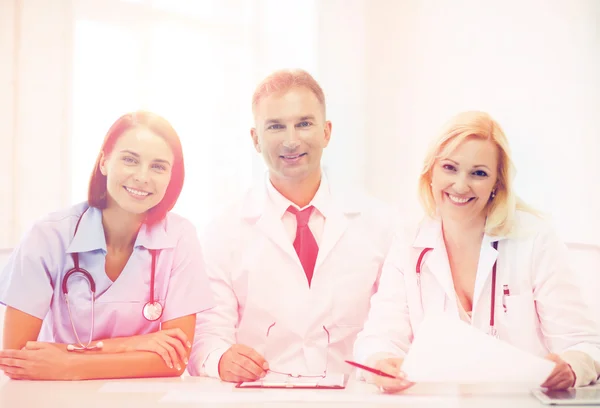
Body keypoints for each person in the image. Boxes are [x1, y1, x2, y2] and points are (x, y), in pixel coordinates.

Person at [353, 111, 600, 392]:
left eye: (479, 173)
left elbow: (584, 344)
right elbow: (377, 338)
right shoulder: (408, 242)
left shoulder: (534, 239)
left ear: (497, 183)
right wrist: (382, 362)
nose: (460, 185)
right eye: (449, 168)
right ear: (430, 172)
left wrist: (571, 367)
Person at [188, 69, 399, 382]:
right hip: (262, 396)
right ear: (256, 139)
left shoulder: (382, 223)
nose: (291, 140)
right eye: (275, 126)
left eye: (304, 123)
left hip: (353, 395)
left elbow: (391, 323)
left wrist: (384, 359)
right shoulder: (221, 231)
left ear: (326, 132)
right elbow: (207, 336)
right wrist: (221, 359)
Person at [0, 111, 214, 380]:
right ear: (104, 162)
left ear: (172, 176)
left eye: (158, 166)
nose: (142, 177)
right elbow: (16, 358)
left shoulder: (180, 236)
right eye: (130, 160)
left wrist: (70, 365)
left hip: (143, 398)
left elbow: (175, 360)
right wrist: (133, 345)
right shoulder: (49, 234)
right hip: (57, 396)